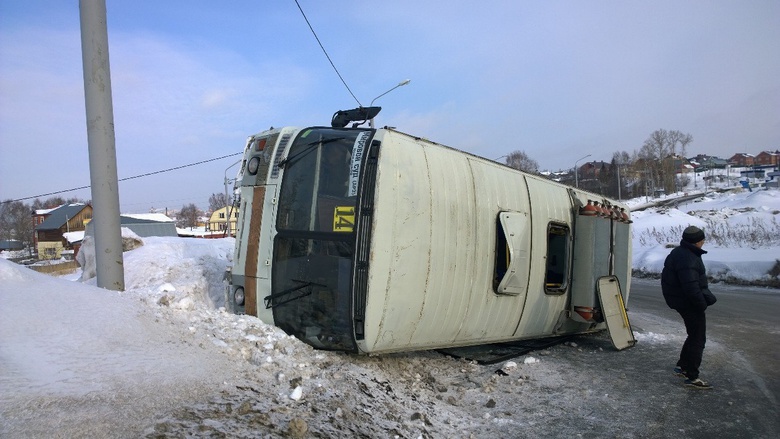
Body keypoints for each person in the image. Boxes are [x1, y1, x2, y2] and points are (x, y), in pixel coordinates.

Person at [661, 225, 717, 389]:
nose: (703, 242)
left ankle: (682, 366)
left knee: (693, 335)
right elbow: (691, 286)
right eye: (702, 240)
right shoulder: (688, 258)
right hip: (688, 303)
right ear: (696, 242)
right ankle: (692, 376)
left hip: (681, 301)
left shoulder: (681, 252)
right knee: (698, 338)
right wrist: (701, 304)